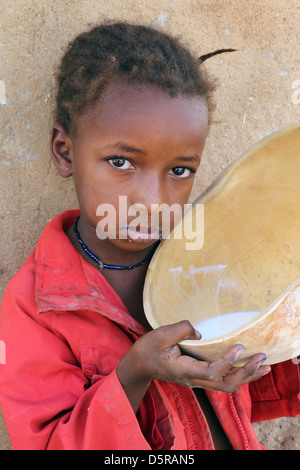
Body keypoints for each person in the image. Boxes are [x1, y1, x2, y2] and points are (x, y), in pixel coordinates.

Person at [0, 22, 299, 451]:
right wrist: (135, 373)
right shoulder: (36, 307)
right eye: (121, 161)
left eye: (179, 171)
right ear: (65, 152)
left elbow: (252, 394)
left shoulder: (206, 262)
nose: (153, 201)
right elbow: (47, 443)